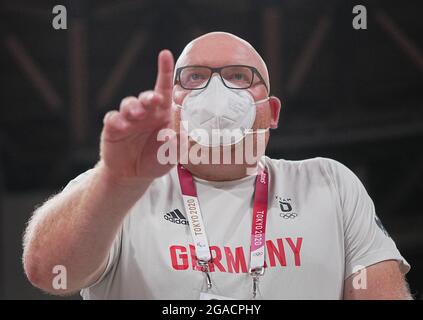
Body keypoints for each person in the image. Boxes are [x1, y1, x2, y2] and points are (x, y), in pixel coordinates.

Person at [22, 32, 411, 299]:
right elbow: (48, 271)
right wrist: (116, 179)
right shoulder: (119, 189)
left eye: (239, 77)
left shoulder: (329, 184)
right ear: (172, 106)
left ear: (272, 112)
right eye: (194, 78)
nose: (216, 91)